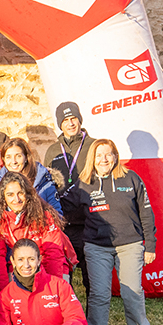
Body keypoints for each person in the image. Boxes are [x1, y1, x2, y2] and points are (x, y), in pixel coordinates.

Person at [69, 138, 157, 325]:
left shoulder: (130, 178)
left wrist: (150, 245)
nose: (104, 159)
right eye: (99, 155)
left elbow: (146, 212)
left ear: (116, 156)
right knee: (99, 295)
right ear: (92, 159)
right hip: (97, 247)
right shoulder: (83, 183)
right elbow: (63, 206)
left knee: (132, 291)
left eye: (108, 154)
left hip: (130, 244)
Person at [45, 102, 97, 291]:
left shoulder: (93, 146)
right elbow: (47, 183)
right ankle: (69, 317)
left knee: (91, 279)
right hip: (64, 222)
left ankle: (93, 320)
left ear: (80, 119)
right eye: (65, 120)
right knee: (64, 276)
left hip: (90, 220)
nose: (70, 123)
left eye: (73, 118)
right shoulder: (52, 150)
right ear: (60, 124)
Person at [0, 172, 68, 290]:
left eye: (20, 193)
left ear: (28, 194)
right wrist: (3, 291)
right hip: (17, 268)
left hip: (45, 266)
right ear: (3, 196)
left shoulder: (43, 215)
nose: (16, 199)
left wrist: (53, 287)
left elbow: (53, 253)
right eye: (10, 195)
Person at [0, 137, 62, 214]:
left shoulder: (43, 180)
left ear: (26, 157)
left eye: (18, 156)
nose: (13, 161)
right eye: (8, 157)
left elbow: (57, 214)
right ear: (3, 159)